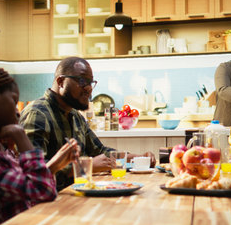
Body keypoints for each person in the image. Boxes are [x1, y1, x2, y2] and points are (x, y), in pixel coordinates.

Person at [19, 56, 156, 191]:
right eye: (82, 81)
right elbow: (33, 174)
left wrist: (137, 158)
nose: (89, 88)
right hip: (51, 202)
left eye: (91, 82)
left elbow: (100, 152)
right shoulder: (37, 114)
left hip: (77, 194)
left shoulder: (75, 116)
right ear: (60, 81)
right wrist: (85, 167)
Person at [0, 65, 80, 225]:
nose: (17, 112)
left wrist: (54, 166)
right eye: (14, 101)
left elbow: (29, 192)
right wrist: (21, 136)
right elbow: (42, 190)